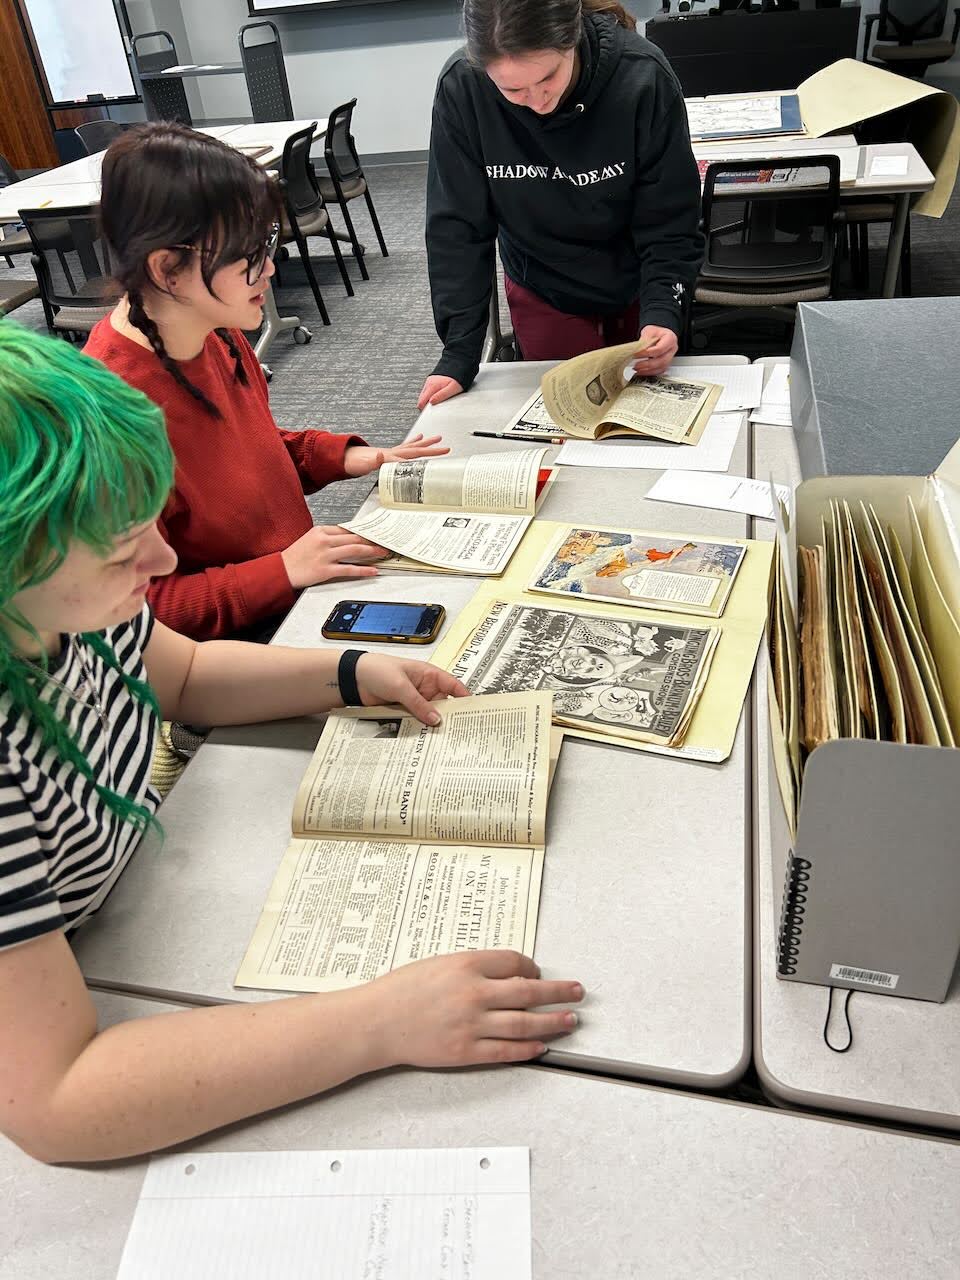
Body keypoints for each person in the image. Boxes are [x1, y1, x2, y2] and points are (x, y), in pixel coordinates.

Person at [0, 324, 583, 1164]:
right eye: (125, 550)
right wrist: (380, 1021)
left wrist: (348, 672)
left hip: (134, 915)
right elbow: (58, 1103)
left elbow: (187, 674)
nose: (162, 559)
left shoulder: (73, 612)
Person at [85, 122, 448, 642]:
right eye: (249, 255)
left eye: (267, 243)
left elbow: (241, 457)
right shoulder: (108, 416)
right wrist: (282, 572)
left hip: (294, 589)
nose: (271, 269)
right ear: (167, 269)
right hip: (238, 642)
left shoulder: (214, 328)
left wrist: (342, 457)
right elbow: (143, 616)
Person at [419, 0, 703, 411]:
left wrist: (663, 310)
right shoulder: (463, 87)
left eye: (548, 77)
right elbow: (457, 229)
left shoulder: (641, 75)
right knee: (563, 418)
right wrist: (458, 354)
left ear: (572, 38)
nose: (537, 101)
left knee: (643, 410)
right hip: (542, 281)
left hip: (637, 276)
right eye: (512, 90)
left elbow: (670, 218)